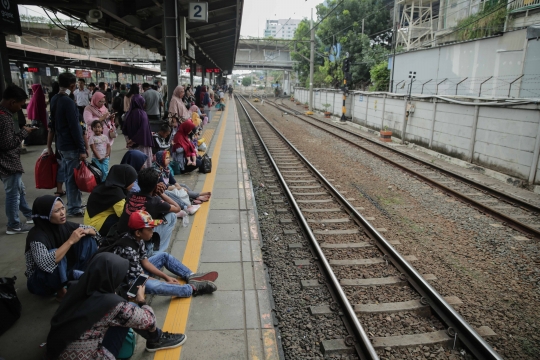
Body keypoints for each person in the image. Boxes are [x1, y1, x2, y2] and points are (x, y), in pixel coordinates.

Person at [46, 253, 187, 359]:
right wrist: (141, 300)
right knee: (128, 313)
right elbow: (149, 320)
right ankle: (157, 339)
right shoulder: (113, 305)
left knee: (123, 312)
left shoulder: (76, 288)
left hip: (57, 351)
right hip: (89, 356)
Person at [107, 210, 217, 298]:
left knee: (164, 256)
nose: (153, 231)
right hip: (129, 284)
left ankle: (191, 276)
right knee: (156, 285)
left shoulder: (138, 240)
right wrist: (167, 282)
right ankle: (192, 288)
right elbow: (140, 277)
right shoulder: (128, 250)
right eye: (149, 229)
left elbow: (145, 262)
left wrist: (166, 277)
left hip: (137, 272)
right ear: (138, 232)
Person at [24, 196, 99, 299]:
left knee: (87, 238)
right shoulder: (36, 236)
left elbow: (94, 231)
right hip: (40, 281)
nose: (62, 213)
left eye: (63, 208)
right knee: (56, 254)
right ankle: (61, 292)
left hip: (64, 270)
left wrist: (87, 231)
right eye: (56, 211)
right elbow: (45, 263)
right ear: (46, 215)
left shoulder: (64, 225)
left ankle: (83, 276)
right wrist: (70, 241)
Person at [116, 168, 180, 253]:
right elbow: (177, 208)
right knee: (172, 216)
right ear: (155, 185)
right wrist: (161, 193)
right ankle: (156, 252)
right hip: (137, 238)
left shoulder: (130, 195)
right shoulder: (155, 202)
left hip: (122, 235)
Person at [0, 85, 36, 234]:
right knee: (13, 194)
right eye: (20, 105)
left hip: (6, 162)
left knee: (19, 190)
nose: (20, 109)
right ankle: (13, 224)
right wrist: (24, 132)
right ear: (12, 102)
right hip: (8, 163)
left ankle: (28, 214)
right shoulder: (5, 118)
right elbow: (7, 144)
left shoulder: (2, 114)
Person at [50, 72, 86, 217]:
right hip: (71, 145)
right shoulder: (68, 102)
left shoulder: (54, 99)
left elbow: (52, 124)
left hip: (61, 144)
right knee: (72, 178)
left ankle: (74, 203)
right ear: (72, 85)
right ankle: (74, 207)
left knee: (67, 175)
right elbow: (75, 127)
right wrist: (82, 148)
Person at [84, 164, 137, 237]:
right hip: (95, 225)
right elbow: (124, 214)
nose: (134, 185)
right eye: (132, 181)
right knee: (127, 222)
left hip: (90, 220)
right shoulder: (116, 192)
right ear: (125, 179)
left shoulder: (107, 184)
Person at [122, 94, 153, 168]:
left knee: (135, 164)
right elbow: (143, 129)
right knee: (144, 164)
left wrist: (129, 140)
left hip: (132, 146)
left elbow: (124, 129)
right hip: (142, 144)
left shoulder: (128, 114)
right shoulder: (142, 113)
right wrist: (134, 140)